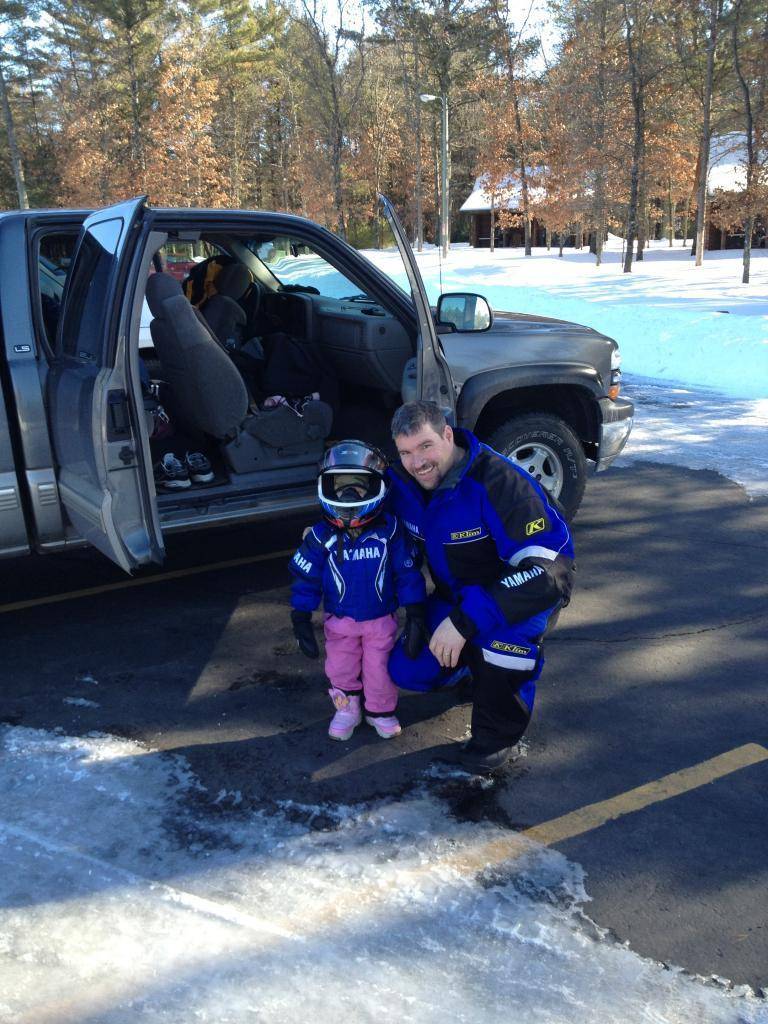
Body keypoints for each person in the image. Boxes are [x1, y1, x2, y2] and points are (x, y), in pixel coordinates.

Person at [386, 401, 575, 772]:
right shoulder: (403, 484)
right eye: (406, 452)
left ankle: (497, 734)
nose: (417, 462)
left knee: (499, 651)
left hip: (518, 598)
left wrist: (464, 622)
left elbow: (552, 573)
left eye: (426, 446)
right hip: (457, 595)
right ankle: (472, 666)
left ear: (447, 434)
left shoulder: (500, 482)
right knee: (406, 669)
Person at [289, 440, 427, 741]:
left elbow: (407, 574)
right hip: (339, 622)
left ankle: (380, 710)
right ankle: (346, 710)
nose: (349, 495)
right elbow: (305, 578)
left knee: (380, 669)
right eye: (341, 487)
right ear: (326, 487)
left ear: (376, 488)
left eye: (358, 486)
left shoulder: (389, 531)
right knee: (340, 667)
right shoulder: (320, 537)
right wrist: (300, 616)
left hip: (380, 620)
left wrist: (416, 611)